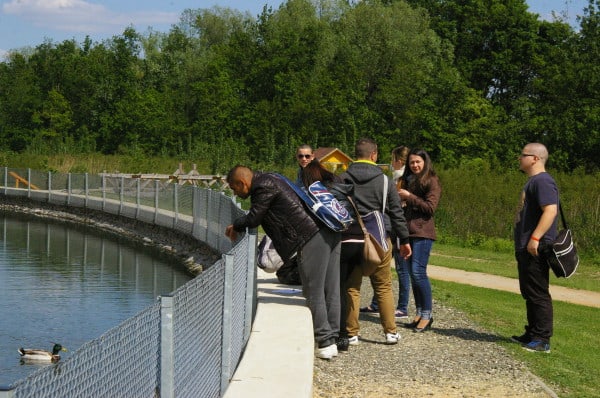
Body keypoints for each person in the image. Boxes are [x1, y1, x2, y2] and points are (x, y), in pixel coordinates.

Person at [225, 165, 342, 360]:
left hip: (310, 236)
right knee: (331, 287)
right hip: (328, 231)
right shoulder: (273, 177)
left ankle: (325, 341)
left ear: (241, 182)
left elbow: (254, 217)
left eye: (234, 188)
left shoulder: (262, 186)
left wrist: (234, 225)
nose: (235, 192)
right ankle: (334, 337)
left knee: (313, 290)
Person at [340, 138, 412, 347]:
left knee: (352, 287)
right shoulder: (385, 181)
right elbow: (396, 213)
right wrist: (404, 240)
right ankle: (390, 332)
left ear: (356, 154)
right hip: (379, 239)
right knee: (383, 286)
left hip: (350, 239)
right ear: (374, 155)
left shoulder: (343, 178)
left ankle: (352, 333)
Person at [511, 143, 558, 353]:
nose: (520, 158)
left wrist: (536, 237)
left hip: (536, 246)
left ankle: (542, 339)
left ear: (535, 159)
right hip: (526, 246)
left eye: (523, 155)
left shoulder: (543, 181)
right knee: (528, 290)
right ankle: (531, 333)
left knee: (538, 292)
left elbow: (550, 211)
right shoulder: (533, 182)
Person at [361, 145, 412, 319]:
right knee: (379, 267)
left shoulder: (406, 179)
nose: (391, 164)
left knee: (402, 269)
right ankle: (376, 304)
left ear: (398, 161)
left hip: (400, 229)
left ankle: (403, 307)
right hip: (390, 228)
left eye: (392, 160)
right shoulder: (394, 179)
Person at [397, 148, 441, 333]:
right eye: (412, 162)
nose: (415, 165)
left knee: (418, 273)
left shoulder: (432, 180)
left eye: (418, 162)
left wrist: (410, 197)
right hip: (408, 232)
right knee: (413, 275)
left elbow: (430, 208)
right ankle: (419, 313)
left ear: (425, 162)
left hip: (423, 233)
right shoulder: (409, 180)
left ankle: (427, 315)